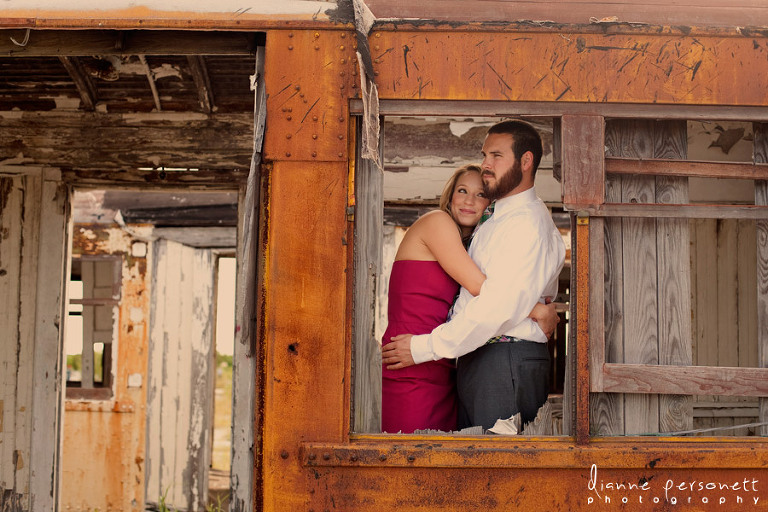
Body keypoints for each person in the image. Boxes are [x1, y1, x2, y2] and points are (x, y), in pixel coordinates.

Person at [382, 120, 566, 431]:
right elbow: (491, 293)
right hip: (451, 357)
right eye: (484, 155)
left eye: (496, 155)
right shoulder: (482, 224)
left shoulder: (526, 222)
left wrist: (423, 348)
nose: (486, 164)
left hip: (487, 359)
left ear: (525, 161)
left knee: (492, 471)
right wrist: (534, 311)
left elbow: (497, 304)